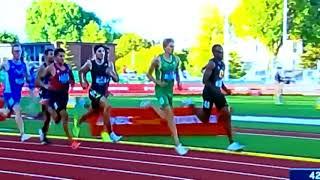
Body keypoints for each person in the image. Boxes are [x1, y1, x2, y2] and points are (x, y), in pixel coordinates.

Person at [192, 44, 244, 151]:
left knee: (227, 114)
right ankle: (191, 107)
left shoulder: (223, 65)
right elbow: (204, 81)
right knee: (205, 118)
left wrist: (225, 89)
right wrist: (215, 89)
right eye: (219, 52)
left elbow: (219, 80)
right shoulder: (212, 64)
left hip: (218, 95)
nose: (221, 54)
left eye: (222, 52)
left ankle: (231, 143)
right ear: (214, 53)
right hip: (209, 94)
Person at [146, 38, 188, 156]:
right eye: (170, 46)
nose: (172, 48)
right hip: (160, 90)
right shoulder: (157, 60)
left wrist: (179, 82)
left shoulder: (176, 59)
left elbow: (176, 72)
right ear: (164, 47)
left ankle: (151, 105)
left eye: (173, 46)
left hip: (170, 90)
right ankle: (177, 144)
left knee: (168, 117)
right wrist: (158, 82)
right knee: (170, 114)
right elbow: (148, 74)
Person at [73, 45, 122, 142]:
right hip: (94, 92)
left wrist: (111, 73)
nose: (102, 53)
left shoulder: (109, 64)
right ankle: (110, 133)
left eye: (103, 51)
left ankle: (78, 122)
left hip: (103, 93)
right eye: (99, 51)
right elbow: (81, 71)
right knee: (106, 106)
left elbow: (116, 79)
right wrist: (83, 81)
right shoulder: (91, 63)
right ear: (95, 53)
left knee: (93, 112)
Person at [41, 48, 80, 149]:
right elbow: (40, 77)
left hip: (64, 96)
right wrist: (44, 86)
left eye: (63, 56)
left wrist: (72, 83)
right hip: (54, 95)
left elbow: (71, 77)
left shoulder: (67, 67)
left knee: (58, 119)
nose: (63, 58)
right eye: (60, 56)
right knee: (64, 116)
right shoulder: (50, 68)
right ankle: (71, 140)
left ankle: (71, 140)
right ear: (55, 57)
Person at [0, 44, 31, 142]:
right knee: (18, 110)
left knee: (5, 113)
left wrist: (31, 78)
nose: (18, 53)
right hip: (9, 93)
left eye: (19, 51)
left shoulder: (23, 64)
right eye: (16, 51)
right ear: (12, 52)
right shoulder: (7, 63)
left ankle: (23, 134)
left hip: (17, 93)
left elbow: (28, 78)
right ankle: (23, 134)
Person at [36, 48, 54, 144]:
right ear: (46, 55)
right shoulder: (42, 67)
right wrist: (45, 85)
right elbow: (37, 81)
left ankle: (43, 132)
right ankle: (43, 135)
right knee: (48, 115)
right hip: (45, 94)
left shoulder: (54, 66)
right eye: (51, 54)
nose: (53, 55)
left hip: (53, 93)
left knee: (49, 117)